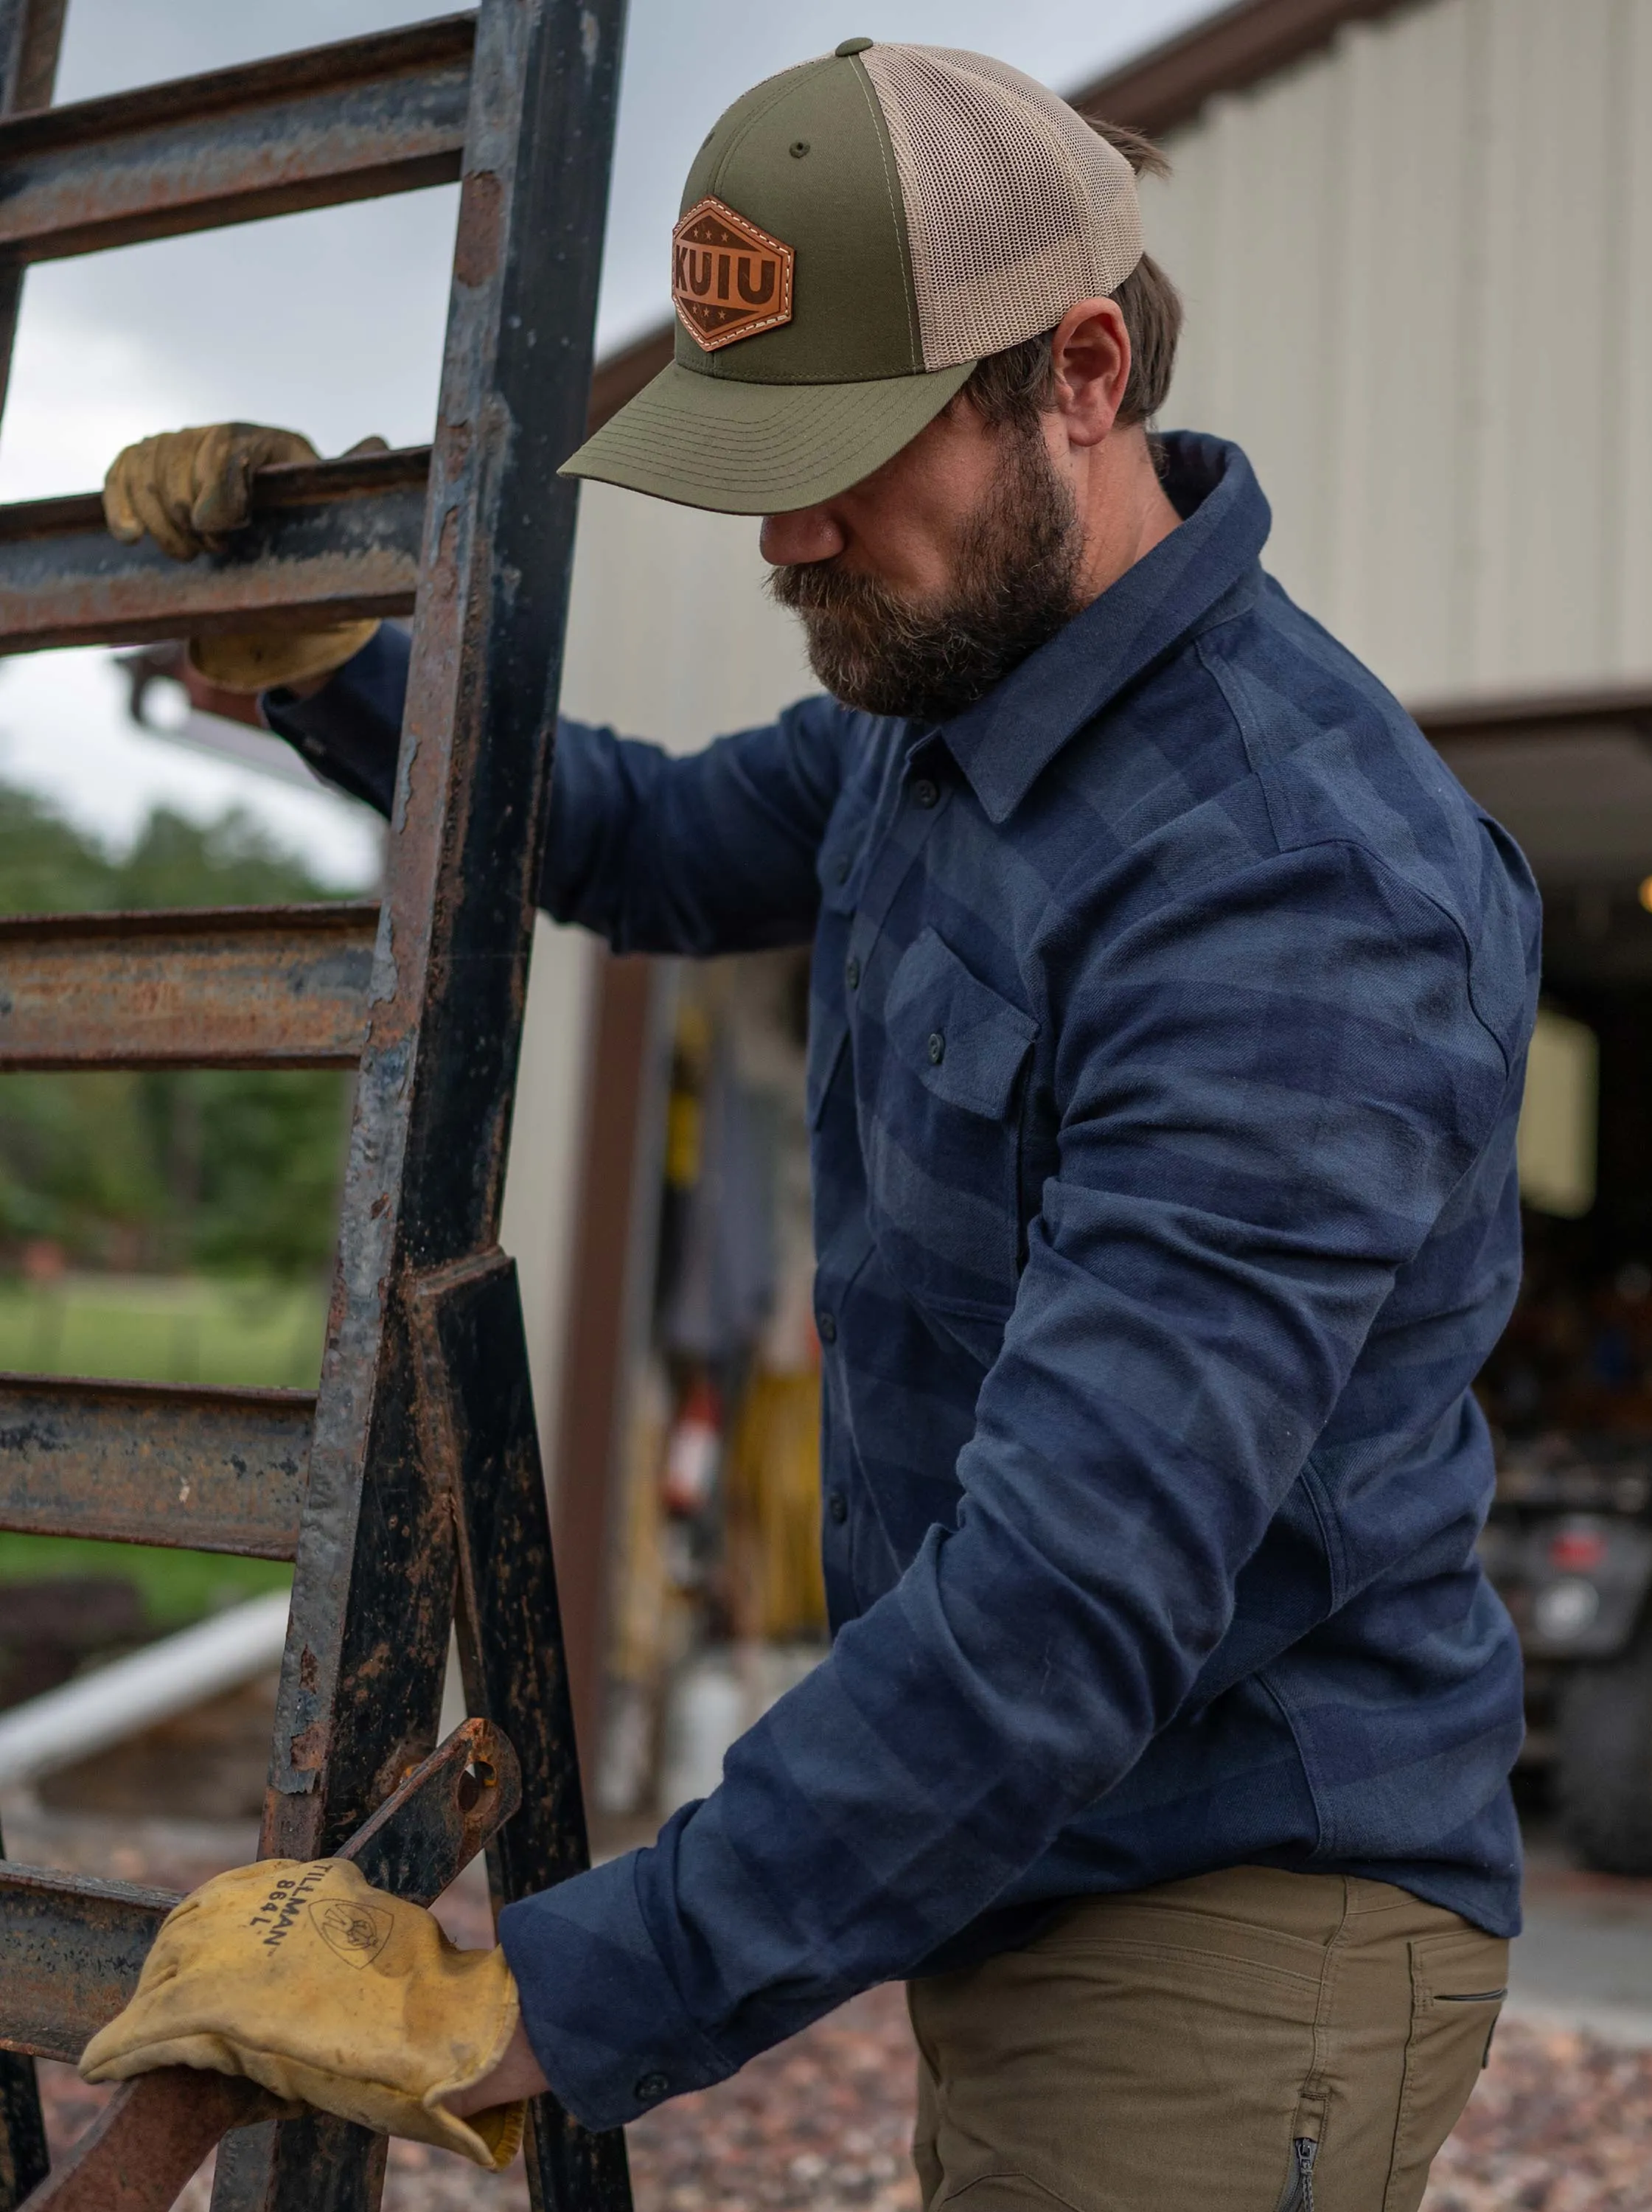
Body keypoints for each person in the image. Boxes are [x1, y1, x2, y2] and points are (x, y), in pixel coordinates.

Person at [87, 41, 1539, 2211]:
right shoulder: (934, 711)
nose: (785, 533)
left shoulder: (1290, 890)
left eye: (844, 454)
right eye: (753, 458)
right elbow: (651, 842)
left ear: (1079, 370)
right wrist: (325, 666)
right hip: (1034, 1857)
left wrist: (529, 2003)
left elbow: (1067, 1602)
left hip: (1241, 1912)